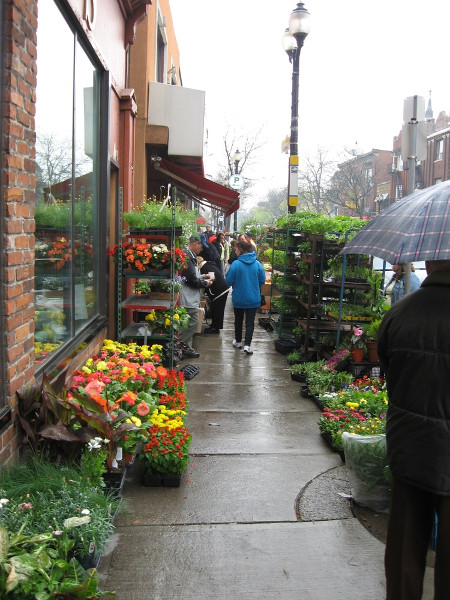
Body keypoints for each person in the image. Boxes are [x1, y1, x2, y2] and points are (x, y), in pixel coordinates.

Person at [377, 260, 450, 600]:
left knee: (405, 549)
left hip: (409, 447)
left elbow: (388, 374)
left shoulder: (400, 312)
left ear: (432, 260)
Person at [225, 240, 265, 355]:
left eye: (236, 250)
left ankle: (238, 341)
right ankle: (247, 345)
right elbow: (262, 280)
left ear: (241, 250)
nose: (235, 252)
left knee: (238, 320)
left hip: (239, 298)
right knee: (250, 322)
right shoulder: (257, 264)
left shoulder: (236, 264)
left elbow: (228, 280)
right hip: (253, 298)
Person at [179, 234, 212, 359]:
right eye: (201, 246)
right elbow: (191, 279)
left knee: (187, 323)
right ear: (195, 243)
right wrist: (205, 283)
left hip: (190, 297)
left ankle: (187, 348)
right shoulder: (187, 257)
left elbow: (192, 276)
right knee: (193, 323)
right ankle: (178, 345)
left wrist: (203, 277)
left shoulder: (190, 256)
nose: (202, 249)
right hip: (188, 298)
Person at [198, 258, 230, 333]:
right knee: (216, 307)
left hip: (219, 290)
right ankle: (214, 325)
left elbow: (211, 279)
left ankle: (216, 327)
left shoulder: (206, 267)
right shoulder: (209, 265)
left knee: (217, 308)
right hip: (222, 288)